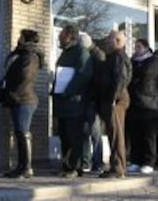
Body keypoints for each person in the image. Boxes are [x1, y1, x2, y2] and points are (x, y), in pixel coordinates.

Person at [2, 29, 44, 179]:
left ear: (26, 39)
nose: (18, 39)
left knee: (23, 132)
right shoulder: (22, 54)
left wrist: (13, 91)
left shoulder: (31, 56)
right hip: (18, 98)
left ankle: (26, 167)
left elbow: (25, 76)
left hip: (24, 99)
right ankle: (21, 166)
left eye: (20, 36)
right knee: (19, 133)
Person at [52, 25, 93, 178]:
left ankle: (75, 168)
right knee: (64, 136)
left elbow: (84, 75)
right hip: (62, 103)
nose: (59, 36)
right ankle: (66, 166)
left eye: (61, 34)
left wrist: (68, 90)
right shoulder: (64, 53)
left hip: (75, 103)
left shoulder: (81, 52)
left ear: (69, 35)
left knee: (74, 136)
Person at [98, 30, 132, 179]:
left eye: (109, 40)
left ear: (117, 41)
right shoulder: (113, 57)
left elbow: (120, 77)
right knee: (113, 133)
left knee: (116, 134)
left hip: (116, 99)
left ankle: (118, 168)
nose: (106, 42)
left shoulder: (118, 56)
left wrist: (113, 98)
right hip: (113, 97)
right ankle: (115, 166)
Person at [126, 39, 158, 174]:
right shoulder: (133, 61)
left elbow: (147, 75)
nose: (136, 49)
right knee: (135, 135)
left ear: (146, 48)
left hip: (149, 104)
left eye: (139, 47)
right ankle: (135, 160)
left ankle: (149, 161)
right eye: (135, 47)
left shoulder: (154, 61)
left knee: (149, 136)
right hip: (134, 103)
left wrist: (135, 76)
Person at [78, 32, 105, 172]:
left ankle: (97, 161)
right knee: (85, 131)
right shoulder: (92, 54)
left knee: (95, 132)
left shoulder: (97, 56)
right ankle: (86, 161)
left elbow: (99, 80)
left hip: (93, 99)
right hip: (86, 97)